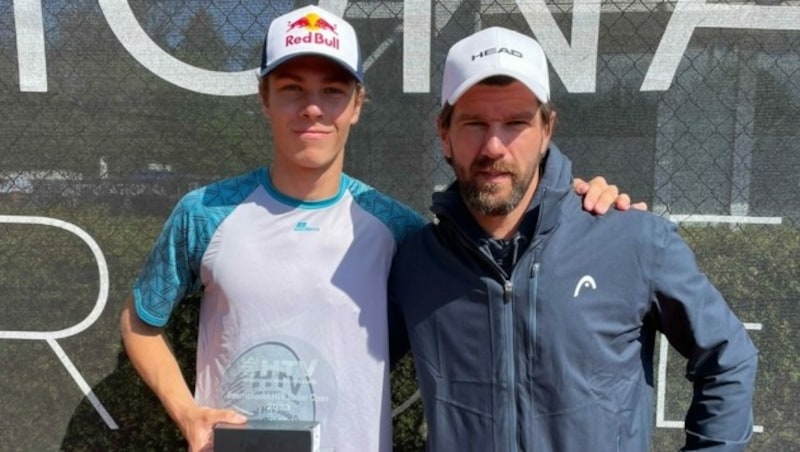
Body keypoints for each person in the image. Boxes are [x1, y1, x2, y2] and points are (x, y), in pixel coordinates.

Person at [119, 6, 635, 452]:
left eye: (333, 90)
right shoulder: (204, 212)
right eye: (292, 89)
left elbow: (502, 262)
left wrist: (574, 204)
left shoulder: (401, 231)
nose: (314, 107)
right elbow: (140, 322)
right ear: (264, 98)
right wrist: (188, 412)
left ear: (358, 104)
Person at [388, 26, 759, 451]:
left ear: (547, 129)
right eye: (474, 123)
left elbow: (728, 359)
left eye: (515, 124)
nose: (494, 146)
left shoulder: (631, 239)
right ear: (444, 134)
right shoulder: (416, 262)